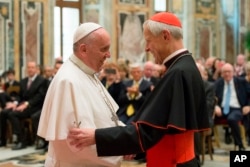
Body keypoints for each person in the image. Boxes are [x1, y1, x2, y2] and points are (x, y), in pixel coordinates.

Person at [68, 12, 210, 167]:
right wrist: (133, 145)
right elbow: (158, 128)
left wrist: (96, 136)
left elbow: (147, 132)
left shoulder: (177, 73)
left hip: (172, 162)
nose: (147, 48)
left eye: (149, 41)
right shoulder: (186, 67)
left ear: (165, 36)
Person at [37, 22, 124, 167]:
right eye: (104, 49)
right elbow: (76, 144)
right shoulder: (68, 81)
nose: (109, 54)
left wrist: (124, 139)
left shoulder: (87, 73)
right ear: (84, 50)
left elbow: (108, 119)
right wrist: (119, 149)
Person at [214, 63, 248, 151]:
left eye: (229, 71)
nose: (227, 74)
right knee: (208, 117)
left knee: (232, 119)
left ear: (233, 72)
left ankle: (240, 145)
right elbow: (211, 97)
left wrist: (248, 106)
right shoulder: (218, 83)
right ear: (222, 73)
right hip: (221, 109)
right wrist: (215, 106)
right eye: (225, 72)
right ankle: (207, 146)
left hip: (236, 108)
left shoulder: (240, 82)